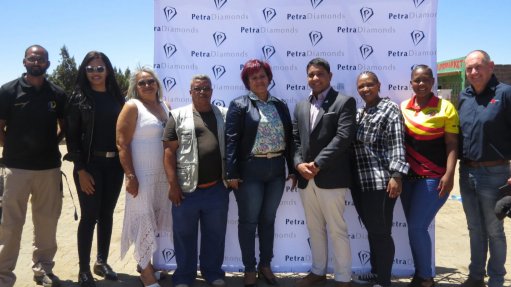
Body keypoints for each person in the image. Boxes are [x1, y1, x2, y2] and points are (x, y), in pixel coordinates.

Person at [225, 59, 297, 287]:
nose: (259, 80)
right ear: (247, 81)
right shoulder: (239, 104)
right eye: (253, 77)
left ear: (269, 77)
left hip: (276, 170)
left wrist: (293, 169)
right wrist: (231, 172)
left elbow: (290, 139)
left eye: (262, 76)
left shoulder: (280, 105)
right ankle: (249, 267)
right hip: (250, 171)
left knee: (268, 220)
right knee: (248, 221)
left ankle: (265, 265)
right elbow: (231, 141)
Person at [0, 45, 66, 287]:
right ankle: (3, 276)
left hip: (48, 169)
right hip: (16, 169)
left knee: (47, 223)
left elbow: (64, 125)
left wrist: (52, 143)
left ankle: (43, 269)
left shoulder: (57, 93)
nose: (36, 61)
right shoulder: (8, 91)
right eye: (32, 58)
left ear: (48, 63)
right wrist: (14, 148)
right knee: (10, 226)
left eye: (41, 59)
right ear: (24, 61)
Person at [293, 58, 356, 287]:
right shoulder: (300, 106)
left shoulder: (344, 102)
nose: (315, 78)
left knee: (337, 229)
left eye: (320, 74)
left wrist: (317, 164)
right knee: (314, 228)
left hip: (331, 177)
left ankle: (343, 277)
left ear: (330, 76)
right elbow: (296, 140)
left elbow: (343, 138)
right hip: (305, 178)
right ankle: (318, 271)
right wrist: (299, 164)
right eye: (311, 74)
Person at [64, 51, 125, 286]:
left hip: (114, 166)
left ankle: (101, 261)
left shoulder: (116, 97)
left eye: (100, 68)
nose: (95, 73)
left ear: (107, 70)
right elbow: (72, 137)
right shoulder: (78, 98)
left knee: (106, 215)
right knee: (89, 217)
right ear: (84, 71)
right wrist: (80, 169)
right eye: (90, 69)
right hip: (90, 166)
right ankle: (83, 270)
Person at [163, 75, 229, 287]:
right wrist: (173, 185)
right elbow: (168, 152)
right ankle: (183, 276)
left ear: (212, 91)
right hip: (185, 190)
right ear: (190, 92)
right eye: (197, 89)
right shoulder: (178, 115)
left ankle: (212, 272)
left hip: (217, 189)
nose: (202, 92)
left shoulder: (224, 115)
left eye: (206, 88)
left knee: (215, 235)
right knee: (184, 236)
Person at [400, 65, 459, 287]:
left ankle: (425, 278)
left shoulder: (446, 108)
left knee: (417, 227)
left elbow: (453, 144)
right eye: (417, 80)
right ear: (411, 83)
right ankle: (421, 274)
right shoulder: (404, 107)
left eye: (425, 80)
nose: (421, 84)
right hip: (408, 179)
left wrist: (450, 175)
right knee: (415, 229)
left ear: (433, 81)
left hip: (434, 179)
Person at [457, 50, 511, 287]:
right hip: (466, 172)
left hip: (495, 173)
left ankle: (497, 279)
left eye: (478, 67)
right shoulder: (464, 97)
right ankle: (476, 275)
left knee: (494, 230)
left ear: (491, 66)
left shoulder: (506, 94)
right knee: (474, 228)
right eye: (469, 69)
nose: (474, 72)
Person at [351, 71, 409, 287]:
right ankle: (376, 272)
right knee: (373, 231)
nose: (365, 89)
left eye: (369, 84)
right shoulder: (359, 113)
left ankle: (384, 281)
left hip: (381, 182)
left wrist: (396, 175)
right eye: (361, 86)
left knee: (381, 233)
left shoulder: (390, 109)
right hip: (360, 182)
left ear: (378, 85)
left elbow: (397, 144)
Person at [117, 67, 172, 287]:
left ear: (157, 83)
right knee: (142, 220)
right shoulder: (132, 106)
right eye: (142, 83)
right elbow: (122, 143)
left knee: (154, 220)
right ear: (135, 87)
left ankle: (145, 264)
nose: (147, 85)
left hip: (161, 176)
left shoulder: (165, 106)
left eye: (151, 81)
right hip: (140, 174)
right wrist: (130, 175)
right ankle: (146, 275)